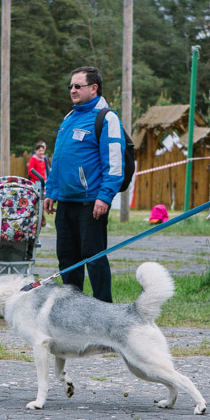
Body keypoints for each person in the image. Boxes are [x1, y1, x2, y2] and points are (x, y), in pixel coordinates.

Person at [44, 66, 125, 302]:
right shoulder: (69, 117)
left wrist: (105, 196)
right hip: (66, 202)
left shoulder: (106, 118)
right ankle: (73, 310)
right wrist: (52, 191)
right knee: (67, 259)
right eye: (70, 86)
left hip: (91, 203)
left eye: (78, 86)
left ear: (93, 88)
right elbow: (58, 160)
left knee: (94, 257)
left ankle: (104, 310)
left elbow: (114, 164)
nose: (72, 90)